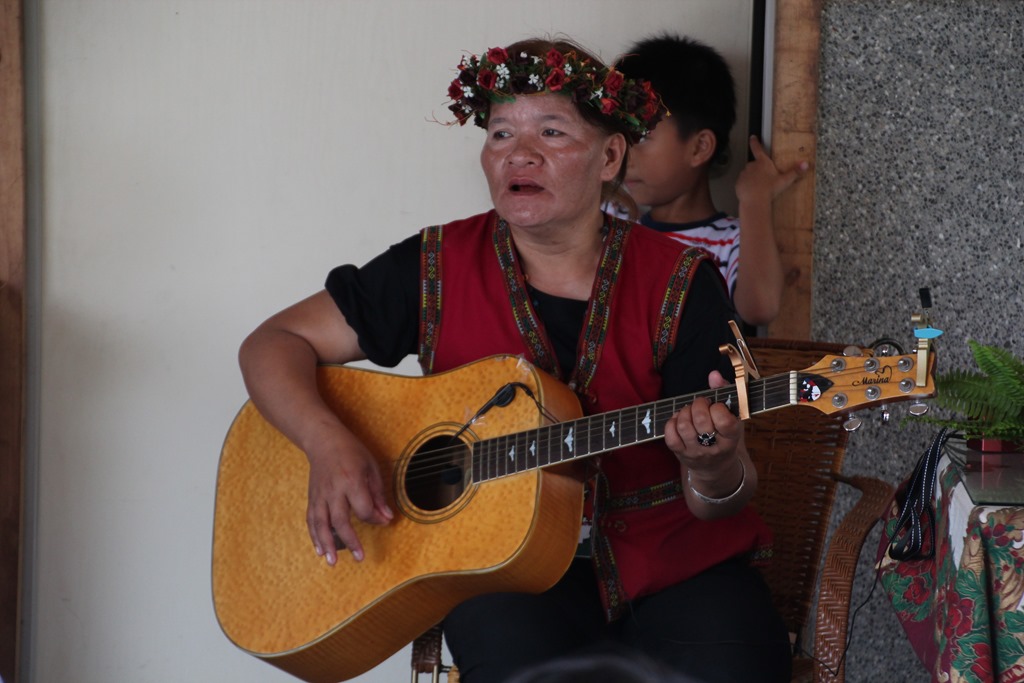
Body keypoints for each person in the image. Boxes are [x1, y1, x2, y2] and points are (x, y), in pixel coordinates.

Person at [238, 37, 791, 683]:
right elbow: (273, 342)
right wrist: (326, 442)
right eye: (500, 133)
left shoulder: (683, 281)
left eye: (551, 131)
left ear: (610, 156)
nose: (519, 153)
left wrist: (714, 465)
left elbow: (722, 499)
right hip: (499, 570)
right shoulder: (434, 265)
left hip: (674, 565)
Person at [615, 34, 809, 327]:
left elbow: (760, 308)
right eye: (618, 136)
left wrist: (755, 200)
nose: (622, 155)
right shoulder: (613, 223)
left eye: (640, 138)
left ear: (699, 148)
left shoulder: (729, 242)